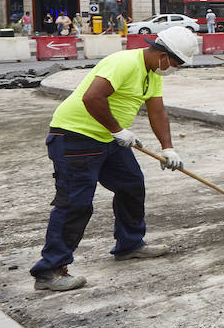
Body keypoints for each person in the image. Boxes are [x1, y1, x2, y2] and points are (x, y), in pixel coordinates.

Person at [29, 25, 196, 292]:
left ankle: (130, 245)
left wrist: (168, 148)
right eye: (175, 63)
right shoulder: (124, 62)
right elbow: (92, 97)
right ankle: (49, 270)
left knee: (131, 185)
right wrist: (118, 130)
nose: (174, 68)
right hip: (76, 137)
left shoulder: (152, 75)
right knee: (75, 203)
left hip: (108, 139)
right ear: (163, 54)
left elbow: (157, 112)